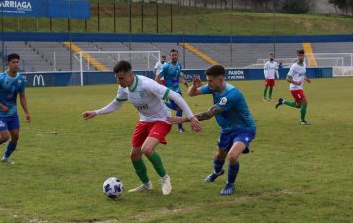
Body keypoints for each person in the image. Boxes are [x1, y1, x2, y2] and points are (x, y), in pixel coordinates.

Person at [82, 60, 201, 196]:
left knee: (147, 149)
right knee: (134, 155)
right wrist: (96, 112)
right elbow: (117, 104)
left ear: (130, 74)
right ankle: (146, 185)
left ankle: (164, 177)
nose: (119, 82)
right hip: (144, 121)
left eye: (121, 78)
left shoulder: (146, 84)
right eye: (117, 79)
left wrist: (191, 117)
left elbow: (176, 95)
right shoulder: (123, 87)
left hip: (162, 120)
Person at [169, 65, 256, 196]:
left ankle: (230, 184)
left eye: (210, 81)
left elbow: (209, 114)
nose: (208, 83)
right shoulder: (213, 87)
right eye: (207, 80)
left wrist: (184, 119)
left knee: (232, 156)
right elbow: (191, 93)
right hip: (226, 129)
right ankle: (217, 172)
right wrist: (194, 86)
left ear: (220, 80)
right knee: (219, 155)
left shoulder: (231, 94)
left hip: (244, 129)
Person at [0, 53, 31, 164]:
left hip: (12, 113)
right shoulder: (0, 79)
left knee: (15, 137)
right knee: (5, 136)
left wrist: (27, 112)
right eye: (13, 62)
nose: (16, 64)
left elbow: (22, 96)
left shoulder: (20, 79)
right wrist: (1, 106)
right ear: (8, 64)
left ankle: (5, 158)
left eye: (17, 62)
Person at [155, 49, 189, 133]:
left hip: (178, 90)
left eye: (175, 55)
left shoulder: (179, 64)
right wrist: (163, 88)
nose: (174, 56)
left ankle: (164, 104)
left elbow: (179, 74)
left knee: (180, 108)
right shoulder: (166, 66)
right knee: (180, 108)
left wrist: (183, 81)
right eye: (172, 55)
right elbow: (157, 78)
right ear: (170, 56)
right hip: (169, 91)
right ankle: (179, 127)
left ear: (178, 56)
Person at [275, 49, 311, 125]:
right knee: (305, 102)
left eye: (302, 55)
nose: (300, 57)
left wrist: (307, 79)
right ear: (297, 56)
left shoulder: (304, 64)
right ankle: (302, 120)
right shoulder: (294, 66)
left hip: (300, 88)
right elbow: (287, 78)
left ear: (304, 56)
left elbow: (302, 74)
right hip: (295, 88)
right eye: (299, 55)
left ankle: (282, 101)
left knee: (298, 105)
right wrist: (296, 82)